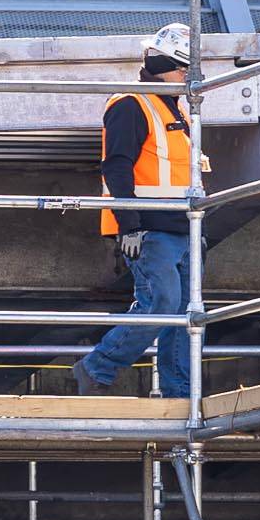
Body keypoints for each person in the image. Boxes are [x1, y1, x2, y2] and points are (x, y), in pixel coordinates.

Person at [72, 22, 199, 400]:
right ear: (162, 65)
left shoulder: (178, 112)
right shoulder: (131, 104)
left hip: (185, 228)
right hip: (150, 228)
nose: (186, 77)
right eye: (182, 68)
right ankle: (97, 367)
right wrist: (129, 225)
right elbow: (116, 167)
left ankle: (180, 395)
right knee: (160, 303)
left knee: (187, 316)